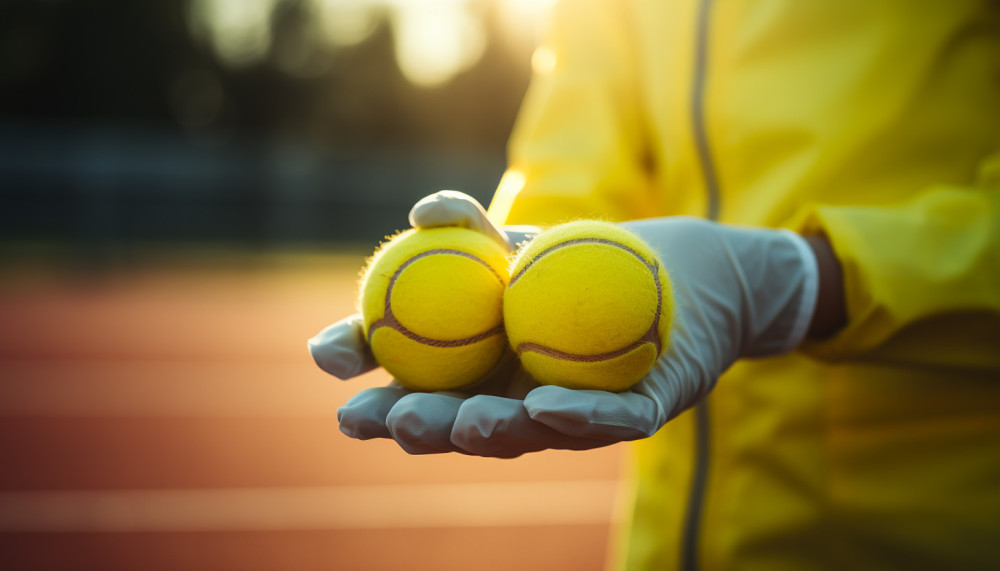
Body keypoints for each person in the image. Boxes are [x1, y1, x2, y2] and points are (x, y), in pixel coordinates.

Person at [310, 1, 1000, 568]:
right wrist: (503, 275)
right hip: (669, 534)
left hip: (922, 532)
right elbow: (570, 163)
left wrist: (813, 278)